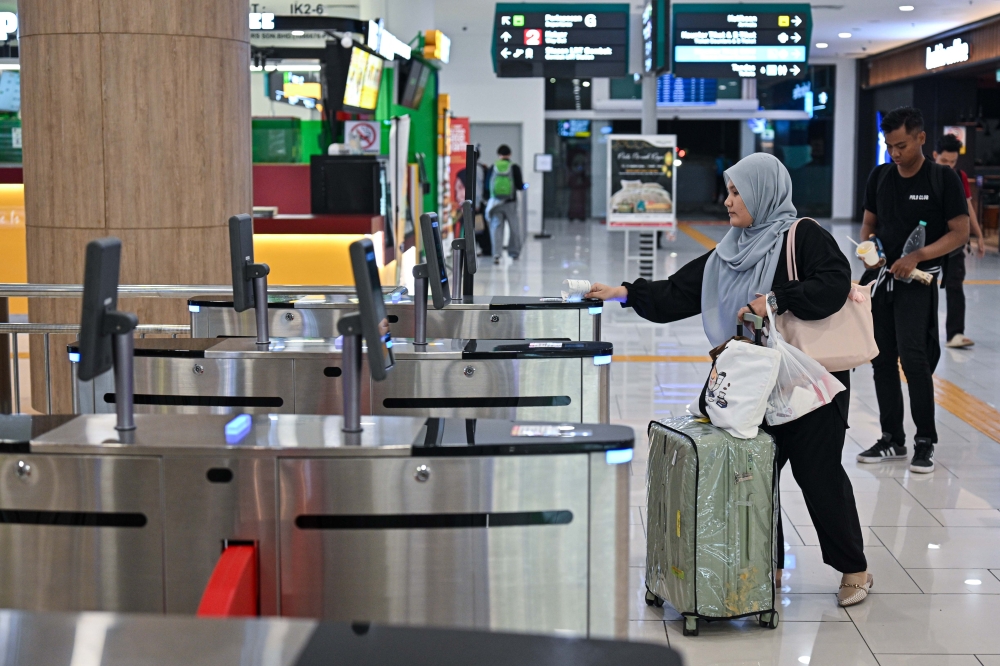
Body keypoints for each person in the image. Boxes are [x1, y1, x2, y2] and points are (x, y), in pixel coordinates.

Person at [586, 152, 872, 607]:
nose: (728, 200)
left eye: (738, 192)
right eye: (729, 191)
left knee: (818, 475)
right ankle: (765, 563)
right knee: (753, 477)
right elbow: (680, 291)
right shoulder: (731, 251)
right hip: (754, 383)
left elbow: (834, 284)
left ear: (763, 192)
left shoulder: (803, 236)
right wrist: (624, 293)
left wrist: (774, 300)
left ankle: (854, 568)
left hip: (809, 382)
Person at [856, 107, 969, 474]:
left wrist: (918, 256)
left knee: (914, 360)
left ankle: (925, 441)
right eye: (889, 146)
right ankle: (892, 438)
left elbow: (960, 232)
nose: (895, 153)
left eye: (901, 145)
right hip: (882, 282)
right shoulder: (880, 176)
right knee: (881, 360)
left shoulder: (941, 178)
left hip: (918, 283)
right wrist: (870, 250)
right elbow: (869, 224)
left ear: (921, 138)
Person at [933, 133, 985, 349]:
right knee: (923, 286)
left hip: (954, 240)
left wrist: (978, 235)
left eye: (953, 162)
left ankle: (955, 334)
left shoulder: (959, 176)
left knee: (955, 284)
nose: (949, 165)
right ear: (935, 155)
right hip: (929, 240)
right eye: (944, 160)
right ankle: (921, 332)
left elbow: (967, 207)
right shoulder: (925, 173)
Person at [484, 144, 524, 264]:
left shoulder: (493, 167)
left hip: (496, 203)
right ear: (510, 154)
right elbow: (519, 185)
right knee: (514, 228)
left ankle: (496, 254)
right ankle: (514, 253)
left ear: (499, 155)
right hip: (510, 203)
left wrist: (489, 198)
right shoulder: (514, 167)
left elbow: (487, 185)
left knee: (496, 228)